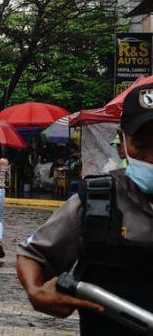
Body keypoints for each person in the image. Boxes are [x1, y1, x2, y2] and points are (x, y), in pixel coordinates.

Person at [17, 86, 153, 334]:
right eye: (142, 145)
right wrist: (36, 292)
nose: (151, 157)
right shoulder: (97, 200)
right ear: (122, 138)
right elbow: (33, 253)